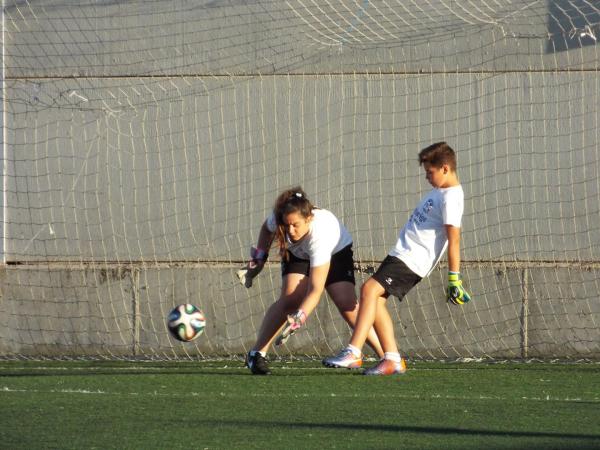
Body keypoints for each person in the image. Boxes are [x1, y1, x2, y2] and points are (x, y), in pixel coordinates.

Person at [290, 142, 470, 375]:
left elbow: (453, 239)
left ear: (445, 168)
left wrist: (454, 277)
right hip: (401, 254)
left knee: (368, 291)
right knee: (376, 302)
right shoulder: (441, 191)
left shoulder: (452, 197)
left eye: (430, 172)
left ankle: (354, 351)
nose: (427, 177)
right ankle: (392, 358)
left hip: (413, 260)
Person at [237, 187, 384, 375]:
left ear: (309, 219)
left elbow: (315, 289)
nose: (290, 231)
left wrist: (300, 317)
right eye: (286, 225)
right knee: (290, 300)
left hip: (336, 252)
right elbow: (266, 230)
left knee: (347, 306)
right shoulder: (281, 217)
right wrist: (259, 259)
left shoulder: (320, 237)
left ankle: (386, 357)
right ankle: (256, 355)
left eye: (295, 225)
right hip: (298, 254)